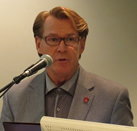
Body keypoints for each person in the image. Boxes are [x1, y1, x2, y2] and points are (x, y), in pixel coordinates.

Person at [0, 6, 133, 130]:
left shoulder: (113, 97)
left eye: (70, 39)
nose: (62, 48)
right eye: (53, 39)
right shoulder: (14, 97)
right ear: (38, 44)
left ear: (82, 45)